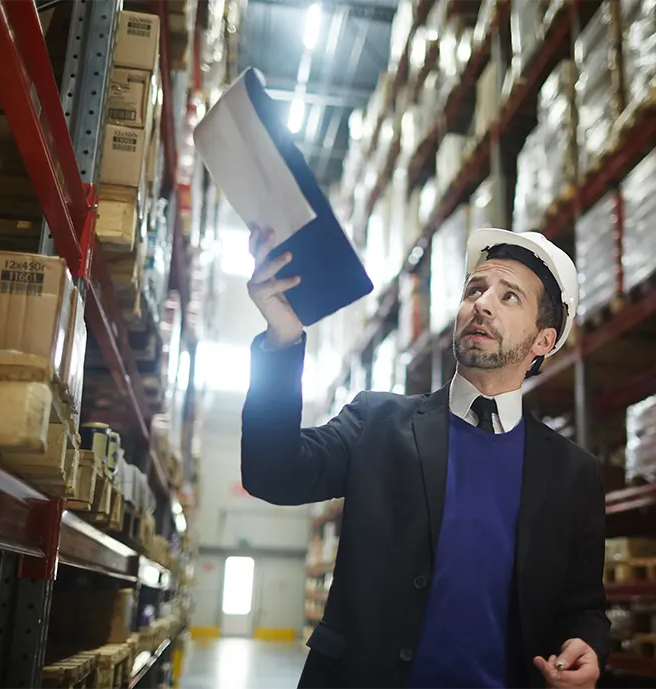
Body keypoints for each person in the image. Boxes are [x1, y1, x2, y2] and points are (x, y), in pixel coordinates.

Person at [241, 226, 611, 689]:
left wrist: (587, 643)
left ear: (542, 341)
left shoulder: (573, 474)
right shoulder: (376, 422)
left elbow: (584, 604)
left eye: (509, 297)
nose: (482, 303)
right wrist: (282, 340)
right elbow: (272, 473)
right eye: (474, 289)